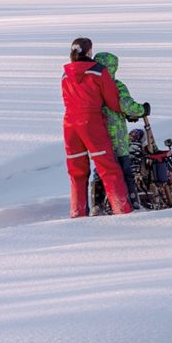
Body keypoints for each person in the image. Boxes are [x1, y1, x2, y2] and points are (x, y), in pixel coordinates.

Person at [61, 38, 132, 217]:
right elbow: (113, 101)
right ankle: (121, 210)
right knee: (109, 168)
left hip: (70, 125)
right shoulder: (99, 72)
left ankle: (77, 212)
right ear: (89, 51)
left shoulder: (65, 75)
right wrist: (128, 112)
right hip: (91, 123)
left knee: (77, 171)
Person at [88, 52, 150, 214]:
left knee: (100, 169)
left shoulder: (90, 86)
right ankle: (132, 202)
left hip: (97, 133)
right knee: (125, 170)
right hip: (117, 135)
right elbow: (126, 105)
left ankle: (97, 204)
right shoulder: (115, 85)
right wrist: (142, 110)